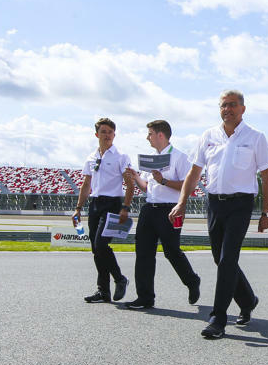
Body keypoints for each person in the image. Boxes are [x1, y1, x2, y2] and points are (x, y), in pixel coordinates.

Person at [170, 90, 268, 340]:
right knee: (220, 259)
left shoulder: (255, 137)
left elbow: (267, 177)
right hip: (214, 204)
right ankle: (248, 300)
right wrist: (182, 201)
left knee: (228, 259)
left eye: (232, 105)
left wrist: (266, 212)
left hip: (240, 204)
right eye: (223, 105)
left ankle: (218, 318)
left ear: (242, 108)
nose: (227, 109)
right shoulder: (208, 136)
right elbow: (194, 172)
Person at [123, 120, 201, 310]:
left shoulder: (180, 157)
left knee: (172, 251)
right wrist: (135, 177)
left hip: (171, 209)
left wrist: (164, 180)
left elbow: (189, 186)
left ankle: (192, 281)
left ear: (160, 135)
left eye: (149, 133)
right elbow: (148, 188)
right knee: (143, 253)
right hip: (150, 208)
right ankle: (145, 297)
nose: (147, 137)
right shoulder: (151, 159)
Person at [73, 118, 134, 303]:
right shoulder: (91, 157)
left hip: (113, 204)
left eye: (110, 132)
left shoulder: (121, 156)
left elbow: (130, 185)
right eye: (104, 131)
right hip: (95, 204)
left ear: (114, 134)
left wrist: (125, 207)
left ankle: (120, 279)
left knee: (101, 245)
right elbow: (86, 184)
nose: (107, 135)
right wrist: (78, 209)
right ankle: (103, 291)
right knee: (96, 249)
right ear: (97, 134)